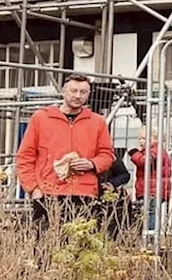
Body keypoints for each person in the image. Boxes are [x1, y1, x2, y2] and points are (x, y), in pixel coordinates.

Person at [16, 73, 115, 228]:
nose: (78, 96)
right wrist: (34, 189)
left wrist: (91, 163)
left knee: (81, 247)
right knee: (46, 247)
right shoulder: (41, 118)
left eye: (83, 92)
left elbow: (107, 155)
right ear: (63, 91)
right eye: (73, 91)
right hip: (48, 193)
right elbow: (25, 157)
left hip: (84, 194)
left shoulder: (97, 122)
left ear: (89, 94)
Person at [128, 127, 172, 235]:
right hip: (152, 188)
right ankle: (149, 234)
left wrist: (134, 153)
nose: (141, 141)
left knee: (151, 213)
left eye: (144, 138)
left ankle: (150, 235)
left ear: (155, 139)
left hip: (152, 189)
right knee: (148, 212)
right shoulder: (155, 151)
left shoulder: (155, 151)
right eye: (140, 139)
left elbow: (145, 162)